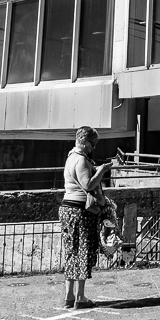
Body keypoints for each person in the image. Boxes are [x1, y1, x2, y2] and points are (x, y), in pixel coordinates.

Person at [59, 126, 112, 309]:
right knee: (83, 252)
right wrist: (102, 171)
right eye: (93, 143)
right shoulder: (81, 160)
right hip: (80, 211)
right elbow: (88, 185)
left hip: (67, 209)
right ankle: (80, 297)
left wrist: (95, 168)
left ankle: (69, 296)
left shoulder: (71, 157)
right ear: (84, 141)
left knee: (71, 252)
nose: (94, 147)